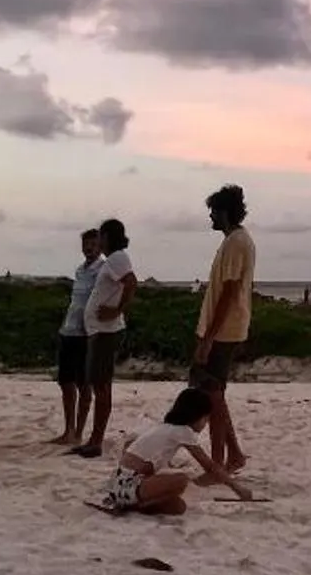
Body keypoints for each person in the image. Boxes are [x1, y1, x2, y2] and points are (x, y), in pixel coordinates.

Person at [101, 387, 252, 517]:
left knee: (178, 507)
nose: (205, 423)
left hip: (119, 484)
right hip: (128, 484)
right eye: (206, 419)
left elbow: (129, 446)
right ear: (196, 415)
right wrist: (237, 488)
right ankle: (128, 503)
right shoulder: (182, 431)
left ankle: (132, 506)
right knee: (182, 480)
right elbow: (210, 466)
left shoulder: (166, 427)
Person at [192, 184, 255, 477]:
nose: (211, 218)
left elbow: (229, 293)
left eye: (213, 213)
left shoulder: (236, 243)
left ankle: (218, 464)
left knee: (212, 394)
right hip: (222, 329)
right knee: (214, 394)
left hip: (224, 331)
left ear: (224, 212)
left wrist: (208, 338)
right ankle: (235, 455)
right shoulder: (233, 241)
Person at [72, 217, 137, 459]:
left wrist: (116, 309)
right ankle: (93, 439)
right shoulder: (113, 260)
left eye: (100, 236)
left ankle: (96, 441)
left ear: (108, 237)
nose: (96, 241)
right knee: (99, 384)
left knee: (101, 386)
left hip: (105, 332)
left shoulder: (117, 258)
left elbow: (131, 283)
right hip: (99, 331)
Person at [55, 227, 101, 446]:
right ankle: (68, 430)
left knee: (85, 384)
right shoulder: (80, 271)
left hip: (86, 334)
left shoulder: (102, 269)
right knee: (66, 382)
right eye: (86, 245)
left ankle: (79, 432)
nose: (89, 249)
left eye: (93, 244)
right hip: (69, 330)